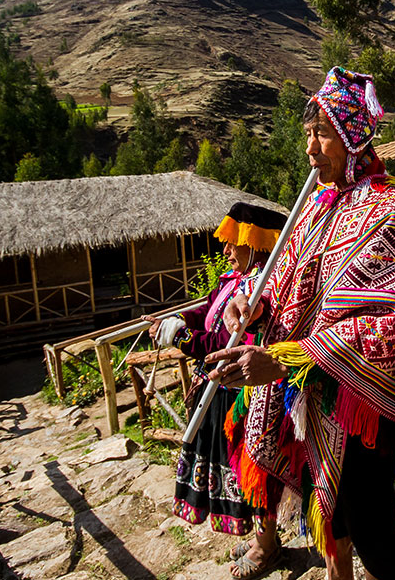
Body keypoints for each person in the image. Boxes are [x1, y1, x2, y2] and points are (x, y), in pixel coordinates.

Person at [205, 67, 395, 580]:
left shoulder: (391, 207)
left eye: (324, 135)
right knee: (329, 508)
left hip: (362, 395)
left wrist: (291, 357)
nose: (311, 150)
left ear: (354, 135)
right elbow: (286, 284)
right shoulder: (314, 206)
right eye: (308, 135)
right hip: (308, 393)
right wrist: (255, 308)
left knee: (370, 521)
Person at [145, 201, 287, 579]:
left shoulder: (263, 291)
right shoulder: (231, 282)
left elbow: (225, 340)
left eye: (232, 242)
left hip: (241, 395)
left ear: (253, 243)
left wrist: (184, 339)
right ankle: (262, 539)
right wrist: (175, 320)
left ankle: (267, 544)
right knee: (235, 471)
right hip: (215, 392)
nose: (225, 250)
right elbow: (208, 312)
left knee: (250, 471)